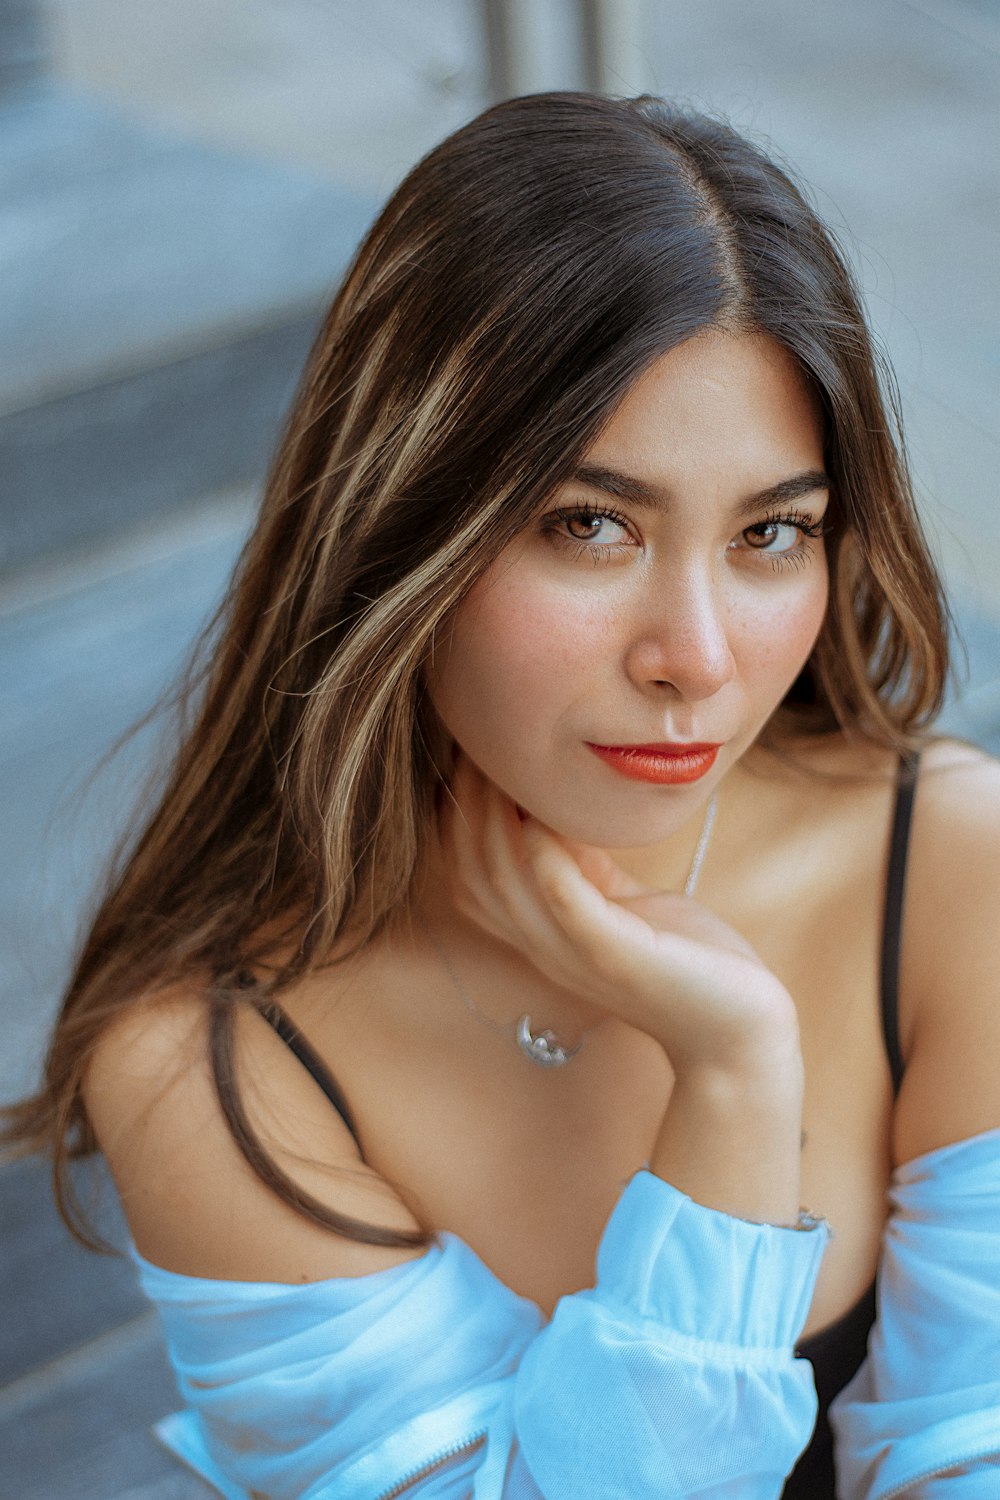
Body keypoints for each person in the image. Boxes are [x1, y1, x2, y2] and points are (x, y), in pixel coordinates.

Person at [5, 92, 999, 1498]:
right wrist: (729, 1083)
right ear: (400, 520)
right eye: (591, 525)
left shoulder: (950, 865)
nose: (698, 658)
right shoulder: (222, 1071)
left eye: (773, 532)